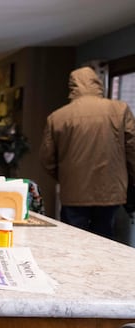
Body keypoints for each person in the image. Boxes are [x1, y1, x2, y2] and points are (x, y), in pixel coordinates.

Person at [40, 66, 135, 239]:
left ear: (72, 86)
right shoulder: (120, 110)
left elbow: (47, 159)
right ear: (98, 83)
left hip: (74, 191)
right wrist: (130, 180)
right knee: (106, 239)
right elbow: (132, 150)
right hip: (112, 190)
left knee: (72, 239)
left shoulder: (57, 117)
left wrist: (66, 177)